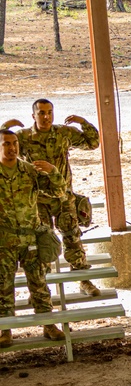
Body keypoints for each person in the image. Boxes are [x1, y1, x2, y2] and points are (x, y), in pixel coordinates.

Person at [4, 100, 101, 298]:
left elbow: (93, 143)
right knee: (42, 245)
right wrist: (5, 127)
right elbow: (2, 147)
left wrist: (83, 122)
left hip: (64, 197)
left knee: (73, 238)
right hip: (38, 201)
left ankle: (83, 279)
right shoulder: (22, 137)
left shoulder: (63, 134)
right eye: (41, 113)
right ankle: (41, 290)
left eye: (49, 112)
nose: (46, 117)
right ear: (34, 116)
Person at [0, 129, 66, 348]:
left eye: (14, 143)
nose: (11, 148)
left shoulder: (29, 171)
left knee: (39, 284)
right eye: (5, 144)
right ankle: (5, 329)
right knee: (3, 287)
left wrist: (53, 172)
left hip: (31, 239)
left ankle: (48, 325)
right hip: (4, 242)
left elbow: (58, 193)